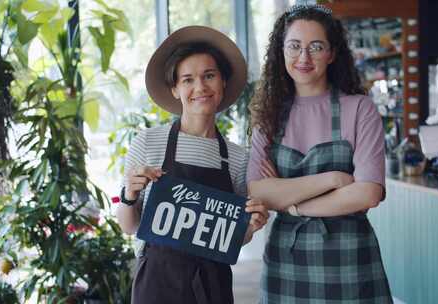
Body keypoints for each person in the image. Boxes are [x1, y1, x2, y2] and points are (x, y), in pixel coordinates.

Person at [247, 4, 393, 303]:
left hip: (350, 261)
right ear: (281, 51)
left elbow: (367, 194)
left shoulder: (359, 109)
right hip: (285, 262)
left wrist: (293, 206)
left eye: (316, 46)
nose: (303, 57)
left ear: (332, 53)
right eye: (294, 46)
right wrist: (335, 178)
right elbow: (258, 191)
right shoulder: (268, 115)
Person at [115, 25, 269, 304]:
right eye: (187, 79)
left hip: (213, 285)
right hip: (158, 284)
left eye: (209, 76)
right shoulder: (148, 142)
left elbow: (232, 237)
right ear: (174, 88)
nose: (200, 87)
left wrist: (251, 226)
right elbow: (129, 225)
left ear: (223, 82)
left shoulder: (236, 158)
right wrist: (129, 195)